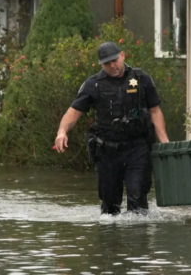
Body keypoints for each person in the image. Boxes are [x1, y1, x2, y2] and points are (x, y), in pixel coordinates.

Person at [54, 41, 169, 215]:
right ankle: (111, 241)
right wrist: (62, 132)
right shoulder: (94, 84)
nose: (112, 65)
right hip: (107, 151)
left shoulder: (141, 79)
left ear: (122, 55)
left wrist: (165, 142)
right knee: (110, 207)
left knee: (137, 200)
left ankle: (138, 239)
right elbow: (73, 112)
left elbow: (155, 111)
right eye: (107, 63)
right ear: (101, 64)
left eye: (114, 60)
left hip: (137, 149)